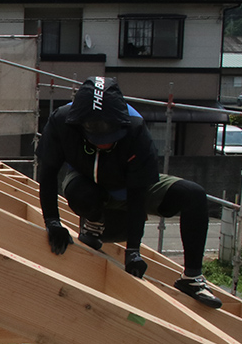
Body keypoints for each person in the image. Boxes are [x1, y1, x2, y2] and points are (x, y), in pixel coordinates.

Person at [37, 77, 222, 309]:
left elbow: (138, 194)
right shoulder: (63, 122)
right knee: (80, 192)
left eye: (110, 140)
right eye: (98, 140)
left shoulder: (135, 128)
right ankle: (93, 225)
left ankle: (192, 279)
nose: (104, 145)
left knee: (193, 194)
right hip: (87, 184)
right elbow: (48, 174)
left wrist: (133, 250)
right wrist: (52, 222)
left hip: (130, 188)